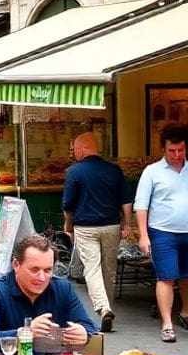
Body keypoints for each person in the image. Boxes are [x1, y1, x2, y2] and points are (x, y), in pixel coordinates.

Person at [62, 132, 133, 334]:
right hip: (111, 227)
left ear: (84, 148)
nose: (73, 153)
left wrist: (68, 226)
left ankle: (103, 309)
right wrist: (127, 224)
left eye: (74, 149)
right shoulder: (114, 170)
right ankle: (107, 309)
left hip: (85, 228)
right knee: (109, 271)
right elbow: (126, 201)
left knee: (91, 269)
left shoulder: (74, 172)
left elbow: (68, 205)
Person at [134, 125, 188, 343]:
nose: (176, 155)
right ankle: (167, 324)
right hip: (162, 232)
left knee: (186, 276)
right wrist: (143, 235)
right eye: (171, 151)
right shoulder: (152, 172)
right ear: (163, 149)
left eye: (181, 150)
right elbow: (141, 205)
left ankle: (185, 313)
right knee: (166, 277)